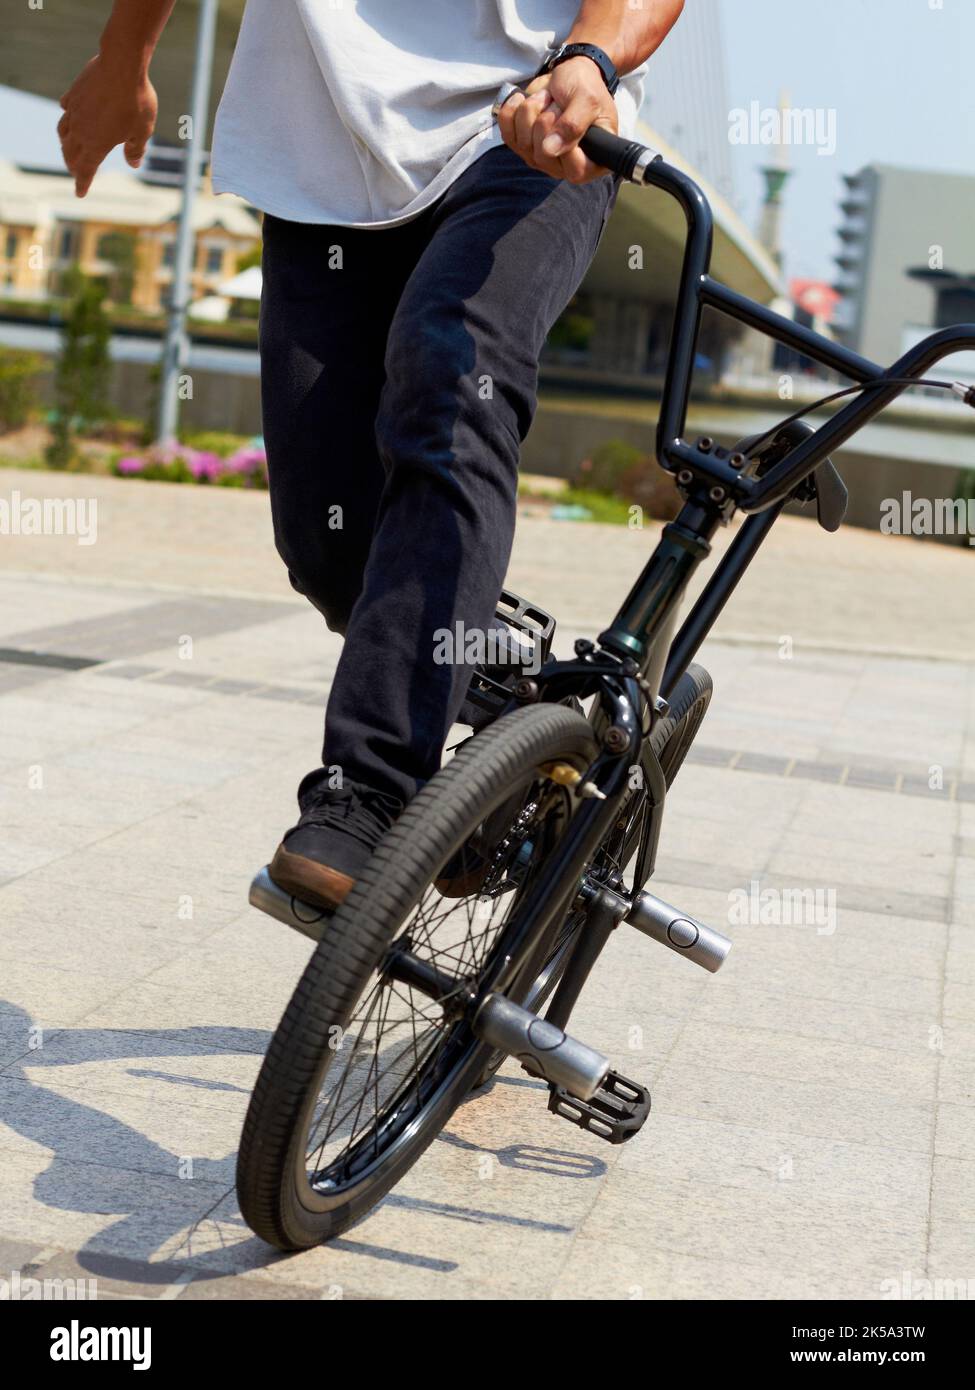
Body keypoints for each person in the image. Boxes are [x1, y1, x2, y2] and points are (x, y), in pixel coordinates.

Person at [59, 0, 685, 910]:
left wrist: (591, 59)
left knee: (449, 370)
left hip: (533, 125)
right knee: (327, 546)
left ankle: (372, 794)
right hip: (322, 151)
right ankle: (503, 700)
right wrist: (125, 58)